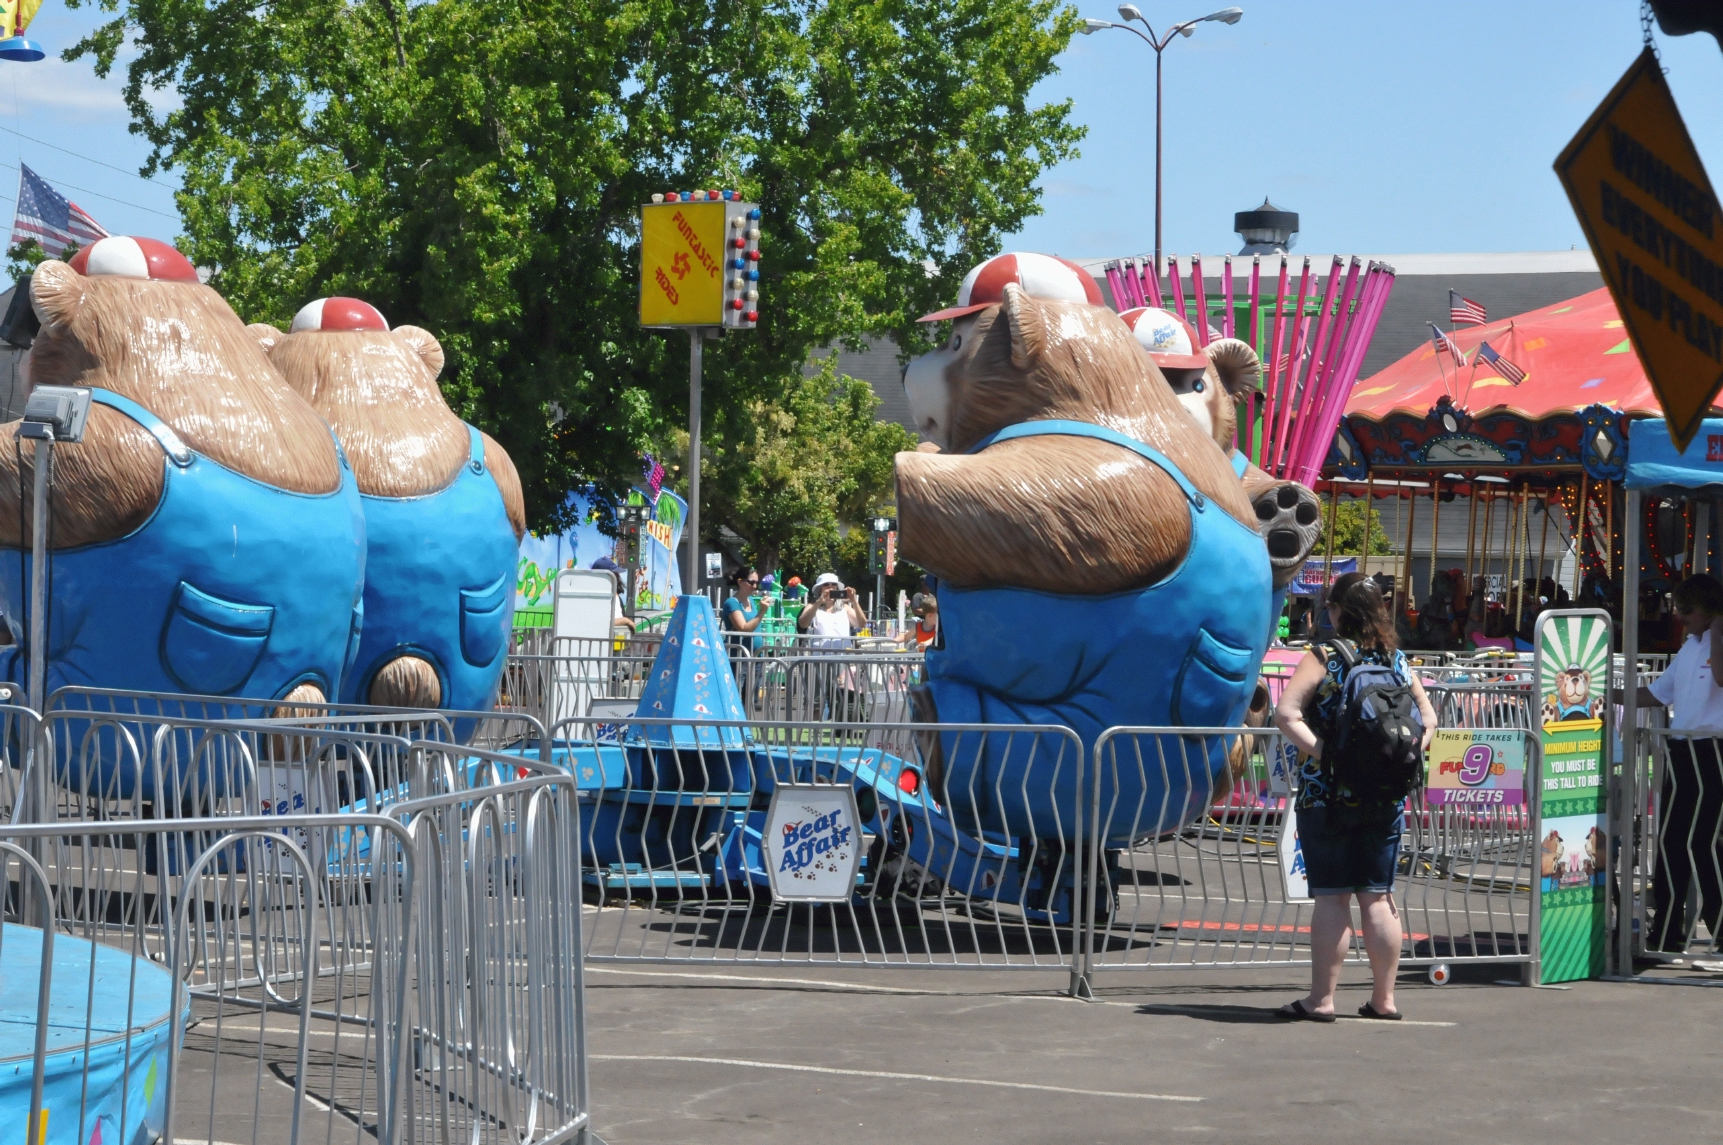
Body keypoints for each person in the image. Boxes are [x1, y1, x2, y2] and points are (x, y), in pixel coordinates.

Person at [1273, 572, 1436, 1021]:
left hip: (1328, 794)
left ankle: (1321, 1000)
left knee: (1332, 897)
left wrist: (1329, 754)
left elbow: (1286, 712)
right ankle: (1384, 999)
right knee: (1378, 896)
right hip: (1385, 794)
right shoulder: (1397, 660)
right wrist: (1396, 759)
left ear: (1338, 611)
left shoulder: (1325, 656)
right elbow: (1428, 719)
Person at [1615, 573, 1723, 953]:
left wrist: (1720, 630)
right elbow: (1656, 694)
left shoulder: (1716, 639)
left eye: (1687, 609)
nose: (1680, 616)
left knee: (1705, 844)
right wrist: (1606, 693)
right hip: (1683, 750)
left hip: (1713, 751)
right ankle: (1667, 929)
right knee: (1672, 843)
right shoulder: (1690, 646)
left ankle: (1717, 924)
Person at [797, 572, 864, 650]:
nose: (830, 587)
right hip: (819, 658)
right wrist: (819, 602)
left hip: (843, 657)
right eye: (826, 584)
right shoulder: (812, 606)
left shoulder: (845, 608)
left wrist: (854, 602)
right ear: (819, 589)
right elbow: (803, 624)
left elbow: (862, 624)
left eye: (834, 584)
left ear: (837, 588)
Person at [721, 566, 764, 653]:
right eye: (751, 582)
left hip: (756, 656)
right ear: (740, 582)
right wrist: (762, 611)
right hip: (738, 659)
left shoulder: (751, 600)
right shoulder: (732, 603)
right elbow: (744, 630)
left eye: (757, 583)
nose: (755, 586)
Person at [592, 555, 635, 634]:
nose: (618, 576)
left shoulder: (615, 595)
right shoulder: (597, 598)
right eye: (614, 573)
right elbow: (601, 623)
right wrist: (625, 621)